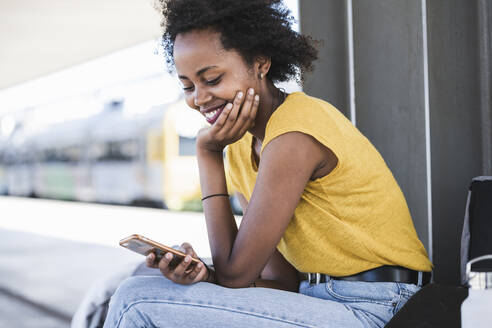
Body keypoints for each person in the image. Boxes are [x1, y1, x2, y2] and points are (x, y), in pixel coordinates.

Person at [103, 0, 433, 327]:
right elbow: (278, 279)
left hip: (381, 308)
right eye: (188, 86)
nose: (199, 99)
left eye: (213, 79)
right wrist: (204, 275)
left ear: (260, 63)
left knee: (137, 301)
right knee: (146, 285)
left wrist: (207, 154)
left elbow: (236, 276)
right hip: (315, 299)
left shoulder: (295, 132)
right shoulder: (240, 149)